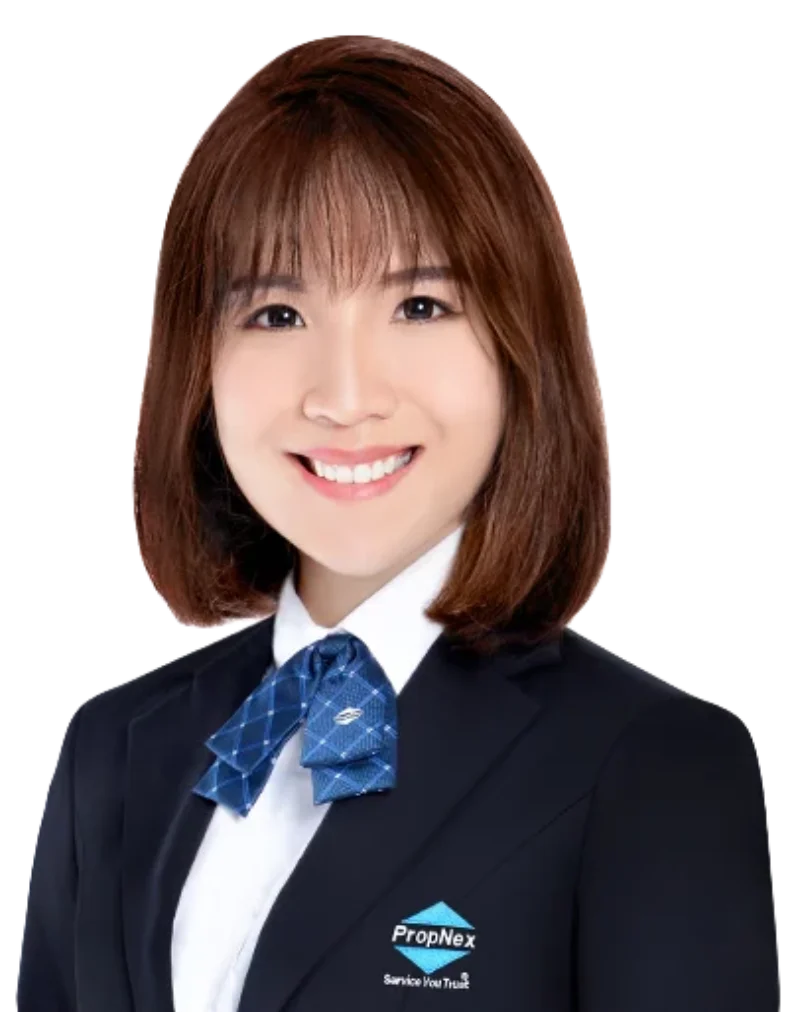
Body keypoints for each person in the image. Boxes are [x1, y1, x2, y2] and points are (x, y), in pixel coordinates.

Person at [17, 33, 779, 1012]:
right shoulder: (113, 748)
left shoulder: (652, 765)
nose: (343, 397)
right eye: (276, 313)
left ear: (521, 347)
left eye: (419, 305)